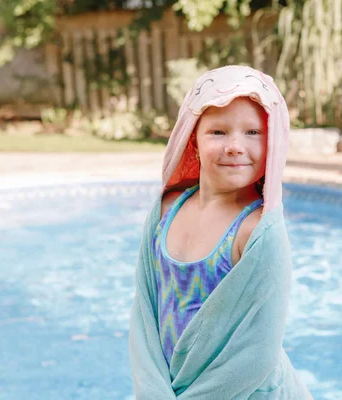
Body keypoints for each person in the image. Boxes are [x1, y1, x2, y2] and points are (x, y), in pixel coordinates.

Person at [128, 65, 312, 399]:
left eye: (253, 132)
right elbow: (144, 311)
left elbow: (256, 352)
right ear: (192, 139)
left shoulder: (256, 230)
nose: (235, 146)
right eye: (218, 132)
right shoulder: (165, 210)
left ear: (273, 142)